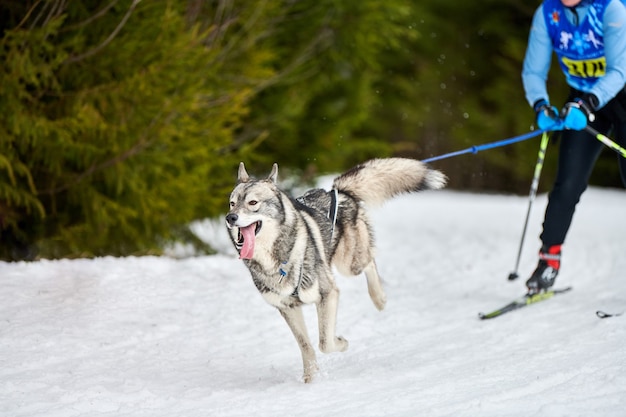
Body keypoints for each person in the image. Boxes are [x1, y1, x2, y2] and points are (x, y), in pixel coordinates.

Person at [521, 0, 626, 294]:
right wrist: (541, 105)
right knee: (567, 183)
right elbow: (533, 71)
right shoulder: (548, 13)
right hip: (582, 100)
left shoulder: (611, 8)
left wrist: (589, 102)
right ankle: (548, 262)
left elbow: (620, 71)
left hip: (618, 93)